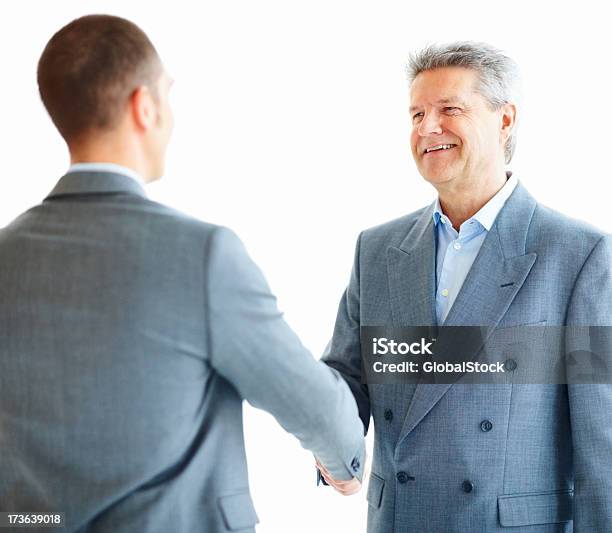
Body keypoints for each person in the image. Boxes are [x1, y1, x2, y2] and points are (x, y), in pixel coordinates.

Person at [0, 15, 365, 532]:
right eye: (166, 96)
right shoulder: (202, 256)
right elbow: (313, 407)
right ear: (142, 107)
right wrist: (345, 461)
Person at [319, 42, 612, 532]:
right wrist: (332, 444)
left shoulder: (579, 254)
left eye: (449, 109)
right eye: (416, 113)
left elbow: (601, 435)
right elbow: (347, 378)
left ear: (504, 120)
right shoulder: (376, 249)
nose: (426, 128)